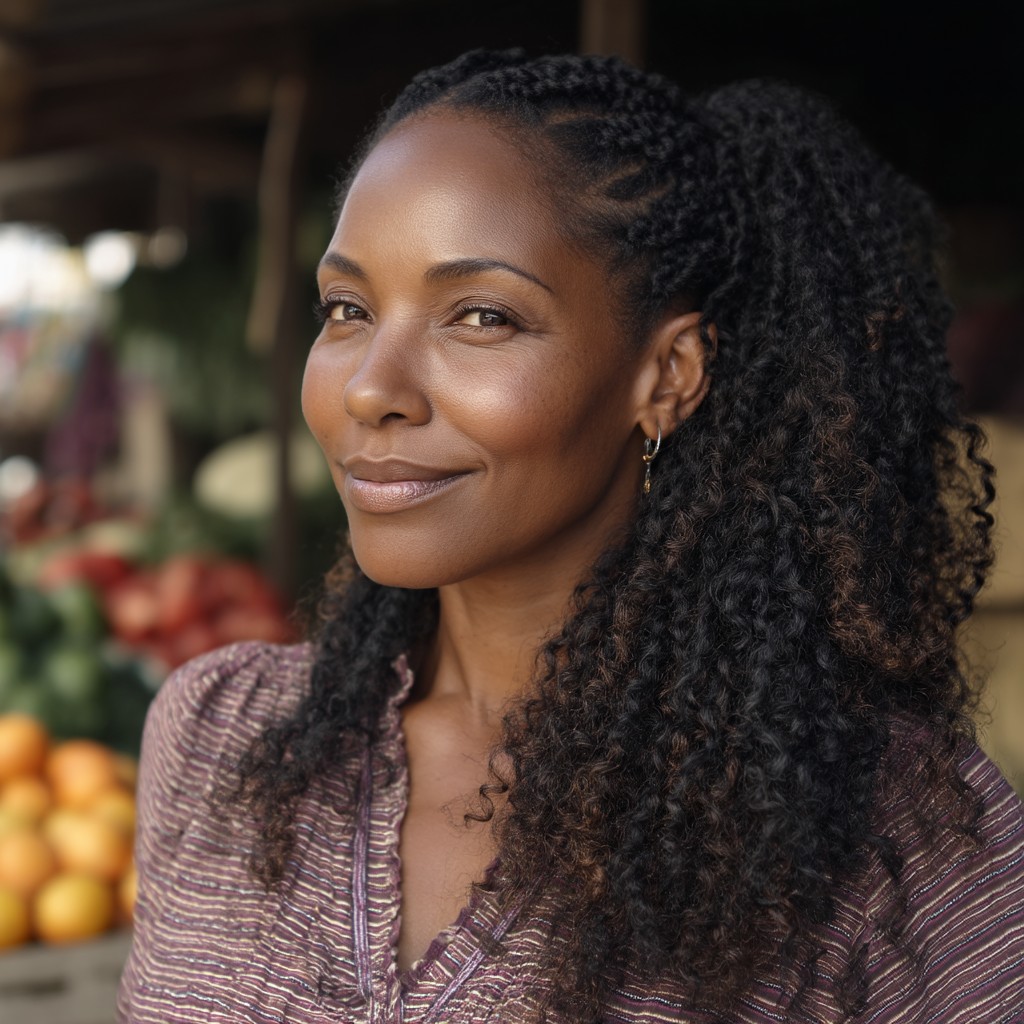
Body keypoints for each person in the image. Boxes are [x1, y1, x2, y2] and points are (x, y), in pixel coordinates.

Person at [117, 49, 1024, 1023]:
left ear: (666, 375)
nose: (371, 387)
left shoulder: (892, 832)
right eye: (348, 309)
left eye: (481, 316)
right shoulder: (221, 737)